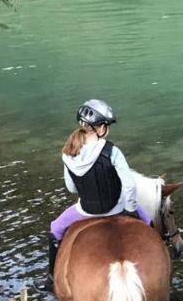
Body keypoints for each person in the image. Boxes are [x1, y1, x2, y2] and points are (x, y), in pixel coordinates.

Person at [49, 99, 152, 276]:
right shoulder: (112, 151)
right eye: (107, 125)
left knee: (55, 229)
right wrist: (130, 209)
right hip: (116, 207)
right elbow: (129, 185)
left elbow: (71, 188)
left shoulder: (68, 153)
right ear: (101, 128)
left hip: (85, 211)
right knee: (149, 223)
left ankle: (51, 278)